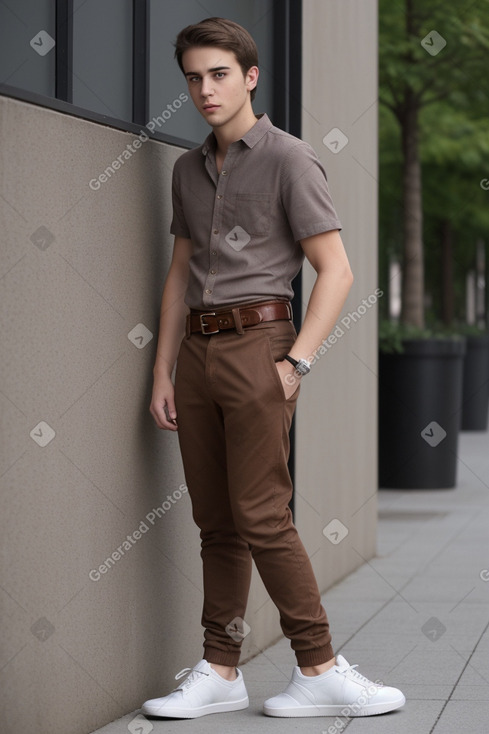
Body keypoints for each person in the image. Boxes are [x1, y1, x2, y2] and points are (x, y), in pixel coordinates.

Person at [142, 16, 405, 720]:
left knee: (262, 514)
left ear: (250, 76)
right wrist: (162, 371)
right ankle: (221, 671)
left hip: (261, 347)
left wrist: (296, 362)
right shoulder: (185, 169)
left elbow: (336, 271)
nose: (204, 89)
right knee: (215, 520)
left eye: (218, 74)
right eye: (193, 77)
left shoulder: (290, 160)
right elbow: (177, 276)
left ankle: (321, 666)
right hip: (195, 356)